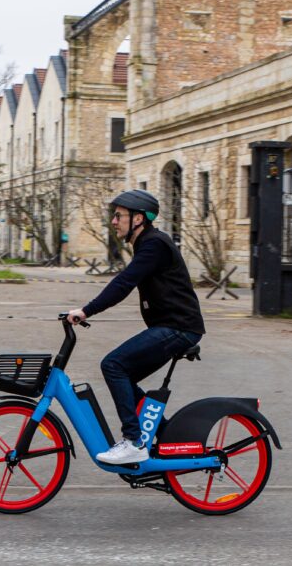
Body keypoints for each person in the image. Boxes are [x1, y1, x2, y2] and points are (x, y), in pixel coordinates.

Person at [66, 189, 205, 465]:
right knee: (124, 375)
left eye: (119, 216)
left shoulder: (154, 244)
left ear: (138, 218)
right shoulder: (147, 243)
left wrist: (86, 310)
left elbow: (124, 283)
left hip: (178, 327)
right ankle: (165, 437)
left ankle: (133, 441)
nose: (114, 221)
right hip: (173, 326)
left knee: (114, 365)